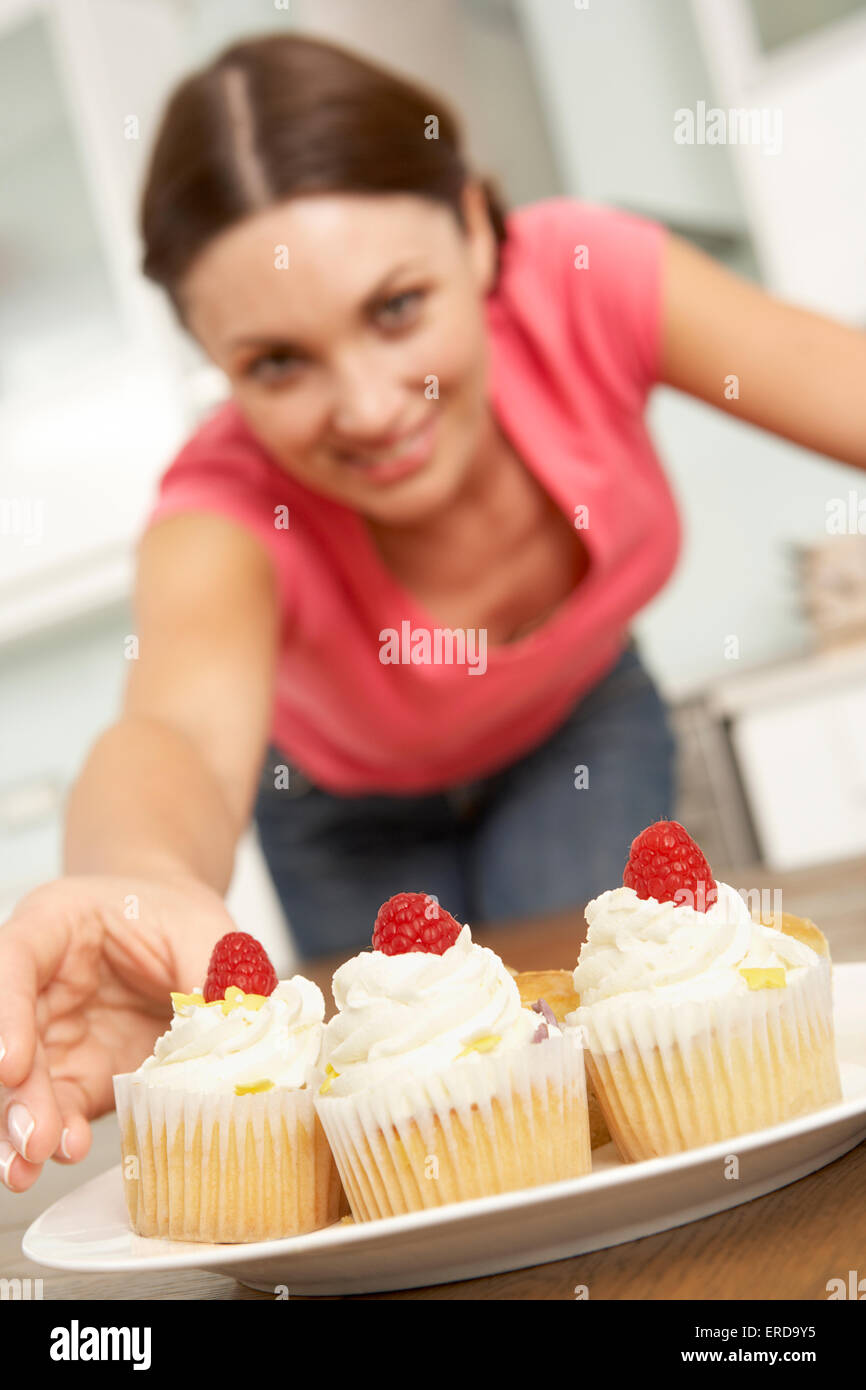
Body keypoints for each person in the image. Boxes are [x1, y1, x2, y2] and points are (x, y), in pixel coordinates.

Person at [1, 33, 864, 1197]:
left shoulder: (585, 279)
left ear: (472, 225)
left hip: (577, 729)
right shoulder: (222, 505)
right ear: (212, 358)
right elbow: (176, 736)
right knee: (422, 1145)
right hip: (343, 815)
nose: (368, 406)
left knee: (625, 1069)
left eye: (397, 307)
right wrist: (128, 881)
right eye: (275, 363)